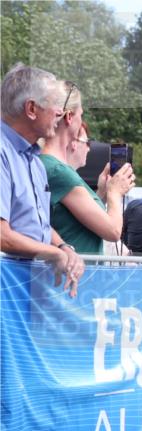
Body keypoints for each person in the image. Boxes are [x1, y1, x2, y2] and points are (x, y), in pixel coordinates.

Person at [1, 64, 84, 296]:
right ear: (31, 109)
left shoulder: (34, 160)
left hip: (28, 293)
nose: (60, 112)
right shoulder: (2, 153)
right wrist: (53, 254)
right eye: (55, 104)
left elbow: (37, 226)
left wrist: (63, 247)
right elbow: (2, 235)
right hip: (7, 295)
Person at [39, 82, 134, 254]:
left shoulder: (45, 163)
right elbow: (113, 231)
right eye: (81, 115)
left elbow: (79, 221)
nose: (81, 121)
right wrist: (115, 193)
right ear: (69, 117)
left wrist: (102, 193)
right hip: (74, 268)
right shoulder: (59, 171)